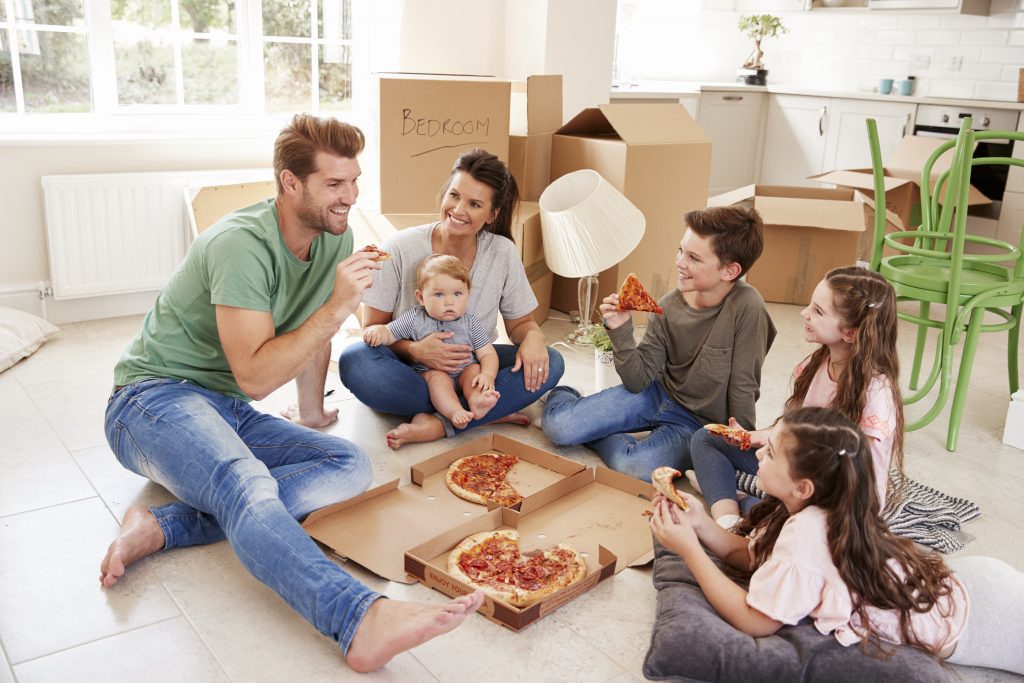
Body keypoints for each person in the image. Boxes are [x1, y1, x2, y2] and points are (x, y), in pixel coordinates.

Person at [99, 113, 482, 673]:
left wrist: (310, 413)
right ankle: (356, 619)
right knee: (246, 479)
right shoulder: (238, 246)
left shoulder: (336, 236)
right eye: (334, 184)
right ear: (290, 183)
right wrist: (340, 306)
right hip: (149, 401)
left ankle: (164, 526)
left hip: (222, 407)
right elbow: (256, 378)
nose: (350, 197)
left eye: (354, 181)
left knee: (347, 463)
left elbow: (309, 331)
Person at [651, 406, 1024, 676]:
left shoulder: (808, 535)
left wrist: (688, 551)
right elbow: (751, 556)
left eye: (772, 452)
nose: (758, 453)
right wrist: (700, 525)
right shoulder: (808, 509)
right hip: (968, 581)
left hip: (984, 618)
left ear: (804, 486)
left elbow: (755, 621)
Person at [338, 148, 564, 448]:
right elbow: (373, 331)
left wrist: (534, 336)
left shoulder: (502, 252)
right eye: (454, 195)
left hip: (472, 367)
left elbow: (520, 324)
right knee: (355, 361)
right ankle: (482, 410)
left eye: (474, 204)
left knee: (553, 362)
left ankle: (442, 422)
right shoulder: (401, 247)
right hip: (413, 372)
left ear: (492, 215)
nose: (459, 209)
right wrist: (418, 352)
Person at [541, 206, 776, 482]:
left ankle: (595, 431)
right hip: (655, 394)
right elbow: (637, 382)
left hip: (699, 424)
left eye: (693, 258)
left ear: (729, 270)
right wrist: (621, 330)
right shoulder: (667, 307)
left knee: (636, 467)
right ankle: (568, 396)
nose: (679, 262)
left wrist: (739, 437)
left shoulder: (749, 307)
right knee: (558, 428)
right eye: (680, 250)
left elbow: (744, 384)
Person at [689, 266, 904, 530]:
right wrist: (756, 436)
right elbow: (793, 429)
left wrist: (776, 458)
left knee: (787, 522)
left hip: (837, 496)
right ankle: (727, 519)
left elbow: (848, 471)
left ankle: (735, 497)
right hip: (800, 469)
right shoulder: (815, 365)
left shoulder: (876, 393)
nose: (804, 313)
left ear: (850, 333)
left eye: (818, 311)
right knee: (707, 439)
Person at [363, 254, 500, 433]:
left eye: (458, 294)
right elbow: (390, 333)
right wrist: (378, 331)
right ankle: (454, 412)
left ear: (468, 293)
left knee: (474, 371)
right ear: (421, 297)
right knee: (438, 378)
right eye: (439, 294)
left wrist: (488, 375)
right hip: (431, 373)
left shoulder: (470, 322)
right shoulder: (415, 318)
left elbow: (487, 353)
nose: (449, 302)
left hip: (464, 370)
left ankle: (477, 401)